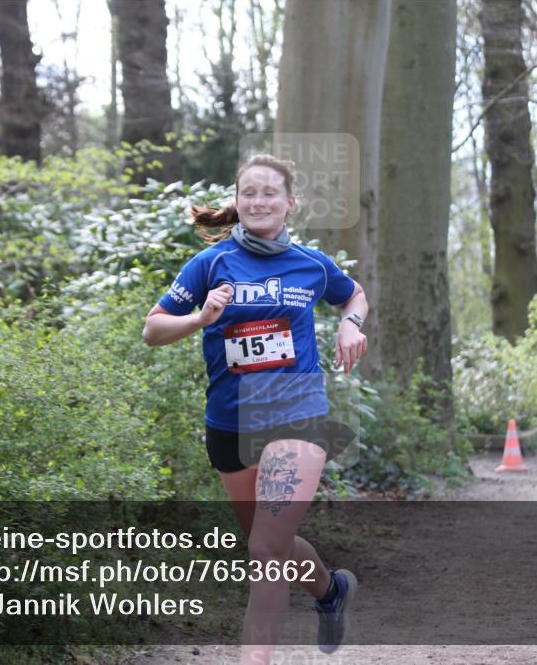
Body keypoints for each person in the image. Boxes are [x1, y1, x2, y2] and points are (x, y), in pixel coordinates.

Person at [142, 154, 369, 663]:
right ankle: (330, 590)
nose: (259, 200)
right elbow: (153, 329)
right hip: (230, 422)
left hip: (299, 415)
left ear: (290, 204)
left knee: (265, 554)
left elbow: (353, 296)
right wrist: (201, 318)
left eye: (270, 192)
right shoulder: (211, 264)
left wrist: (353, 323)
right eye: (249, 193)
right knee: (274, 545)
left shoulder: (310, 264)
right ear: (238, 203)